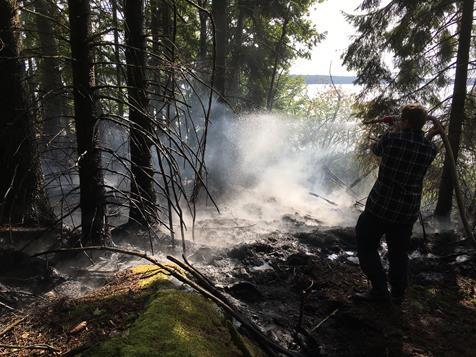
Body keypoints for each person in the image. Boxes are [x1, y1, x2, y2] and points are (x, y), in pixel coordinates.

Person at [353, 104, 440, 305]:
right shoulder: (429, 148)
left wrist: (392, 128)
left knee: (365, 245)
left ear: (406, 121)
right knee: (398, 254)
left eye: (402, 119)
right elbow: (417, 148)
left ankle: (379, 290)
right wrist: (431, 134)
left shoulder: (392, 139)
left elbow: (377, 149)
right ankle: (398, 294)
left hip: (380, 207)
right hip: (406, 212)